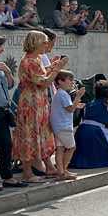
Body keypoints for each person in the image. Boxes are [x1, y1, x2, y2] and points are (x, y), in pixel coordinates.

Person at [14, 30, 65, 182]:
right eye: (44, 42)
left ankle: (48, 167)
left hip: (38, 100)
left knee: (41, 133)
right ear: (36, 43)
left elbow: (41, 76)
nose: (47, 45)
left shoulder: (36, 59)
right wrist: (57, 69)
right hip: (31, 102)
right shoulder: (30, 61)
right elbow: (43, 82)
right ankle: (27, 173)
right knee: (29, 135)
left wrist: (51, 68)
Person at [0, 33, 20, 190]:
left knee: (6, 145)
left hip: (2, 112)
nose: (2, 49)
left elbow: (9, 85)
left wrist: (7, 72)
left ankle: (7, 177)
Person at [50, 70, 84, 180]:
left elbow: (66, 107)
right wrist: (78, 97)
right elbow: (70, 109)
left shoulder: (59, 94)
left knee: (60, 149)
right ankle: (63, 170)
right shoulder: (63, 94)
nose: (72, 82)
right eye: (70, 80)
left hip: (58, 126)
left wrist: (76, 105)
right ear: (60, 81)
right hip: (64, 126)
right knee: (71, 147)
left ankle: (61, 171)